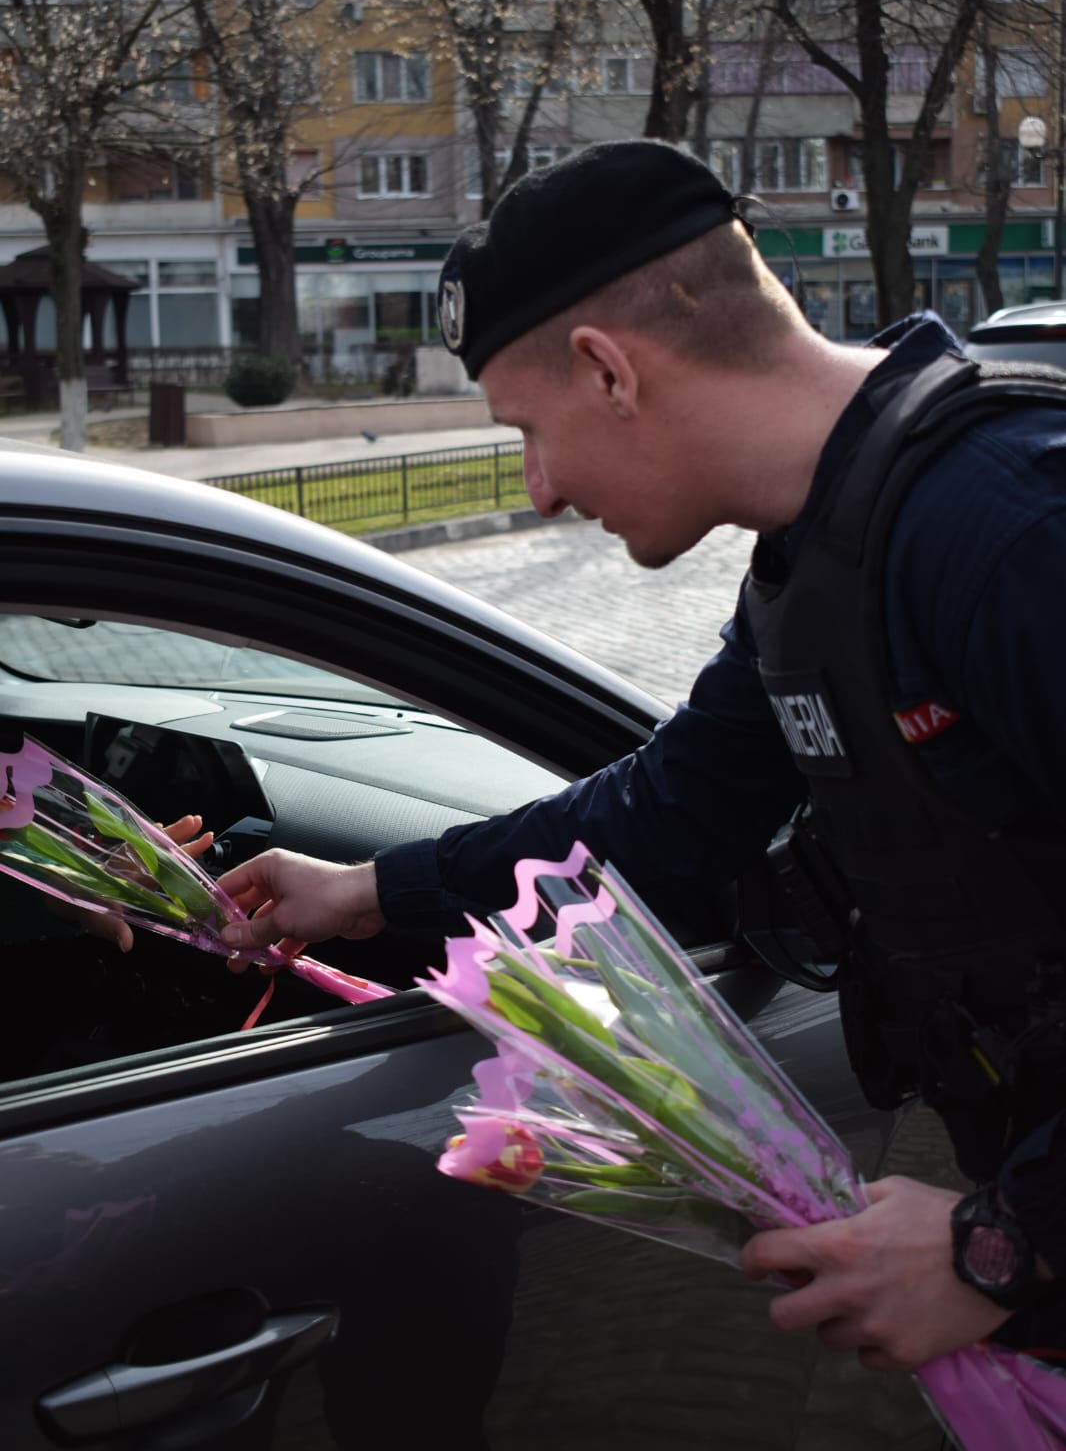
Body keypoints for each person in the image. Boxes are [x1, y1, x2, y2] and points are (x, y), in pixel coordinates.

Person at [212, 139, 1066, 1375]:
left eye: (527, 431)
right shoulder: (819, 556)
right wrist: (364, 892)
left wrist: (994, 1248)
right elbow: (668, 818)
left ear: (608, 370)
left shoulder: (1004, 528)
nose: (539, 489)